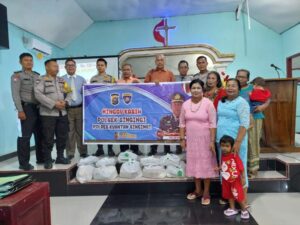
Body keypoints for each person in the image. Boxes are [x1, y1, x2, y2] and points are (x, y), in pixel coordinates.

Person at [179, 79, 218, 205]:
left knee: (205, 165)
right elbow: (181, 123)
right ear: (190, 90)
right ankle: (198, 190)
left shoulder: (208, 104)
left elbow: (213, 124)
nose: (195, 90)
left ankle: (206, 192)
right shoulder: (185, 104)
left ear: (203, 90)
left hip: (205, 139)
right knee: (194, 164)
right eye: (193, 88)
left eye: (198, 88)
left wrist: (212, 141)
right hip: (191, 140)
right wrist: (182, 139)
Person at [216, 78, 250, 204]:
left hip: (236, 141)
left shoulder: (242, 102)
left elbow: (244, 124)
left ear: (239, 89)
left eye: (233, 86)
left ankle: (243, 199)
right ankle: (229, 196)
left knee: (239, 168)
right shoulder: (221, 101)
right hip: (223, 142)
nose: (230, 88)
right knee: (226, 169)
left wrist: (238, 142)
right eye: (228, 86)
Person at [34, 59, 71, 169]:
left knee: (62, 136)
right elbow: (38, 94)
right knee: (48, 138)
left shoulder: (61, 80)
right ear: (47, 67)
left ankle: (60, 157)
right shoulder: (41, 79)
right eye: (54, 66)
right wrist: (53, 104)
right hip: (48, 114)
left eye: (57, 66)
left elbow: (69, 92)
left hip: (62, 113)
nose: (57, 68)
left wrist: (66, 102)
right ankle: (48, 159)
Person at [10, 52, 43, 170]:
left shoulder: (37, 75)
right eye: (26, 60)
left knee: (40, 135)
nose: (29, 62)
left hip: (38, 108)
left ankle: (41, 158)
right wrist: (20, 110)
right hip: (26, 108)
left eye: (31, 60)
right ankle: (23, 163)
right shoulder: (17, 76)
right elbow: (15, 94)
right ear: (20, 62)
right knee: (25, 137)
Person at [236, 70, 270, 178]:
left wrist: (263, 107)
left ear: (247, 79)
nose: (240, 78)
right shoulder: (234, 87)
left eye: (243, 77)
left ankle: (253, 170)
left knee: (253, 143)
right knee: (241, 143)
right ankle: (241, 168)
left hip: (254, 118)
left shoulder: (253, 87)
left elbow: (268, 98)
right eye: (238, 76)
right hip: (239, 120)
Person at [144, 54, 176, 155]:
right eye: (158, 60)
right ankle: (153, 149)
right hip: (153, 105)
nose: (160, 62)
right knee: (154, 126)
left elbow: (174, 88)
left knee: (167, 126)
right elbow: (145, 87)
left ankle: (167, 150)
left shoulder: (170, 74)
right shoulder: (150, 73)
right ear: (155, 62)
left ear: (164, 61)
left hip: (166, 105)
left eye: (162, 60)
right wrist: (153, 84)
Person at [62, 59, 88, 160]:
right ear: (65, 67)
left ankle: (83, 151)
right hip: (67, 109)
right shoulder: (61, 79)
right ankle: (70, 152)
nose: (70, 67)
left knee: (81, 131)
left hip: (80, 109)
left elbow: (86, 93)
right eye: (68, 65)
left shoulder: (82, 79)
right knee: (69, 132)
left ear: (75, 67)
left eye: (72, 65)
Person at [219, 135, 250, 220]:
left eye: (227, 146)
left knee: (238, 195)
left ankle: (244, 210)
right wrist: (219, 168)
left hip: (235, 180)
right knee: (229, 195)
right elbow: (225, 165)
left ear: (232, 147)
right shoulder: (223, 156)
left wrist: (243, 177)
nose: (224, 148)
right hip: (226, 180)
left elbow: (241, 167)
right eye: (222, 146)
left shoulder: (235, 156)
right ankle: (232, 209)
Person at [90, 58, 116, 157]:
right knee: (98, 128)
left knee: (109, 128)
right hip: (96, 107)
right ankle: (99, 149)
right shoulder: (93, 79)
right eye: (98, 65)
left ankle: (110, 149)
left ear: (105, 66)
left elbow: (115, 91)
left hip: (108, 107)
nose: (100, 67)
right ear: (96, 66)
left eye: (102, 65)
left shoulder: (111, 78)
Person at [117, 63, 141, 155]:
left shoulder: (136, 81)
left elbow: (146, 90)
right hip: (121, 111)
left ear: (131, 71)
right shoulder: (118, 82)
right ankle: (123, 150)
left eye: (128, 69)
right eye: (124, 70)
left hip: (134, 110)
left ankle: (135, 149)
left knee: (134, 129)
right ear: (122, 71)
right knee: (122, 129)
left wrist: (139, 84)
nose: (126, 71)